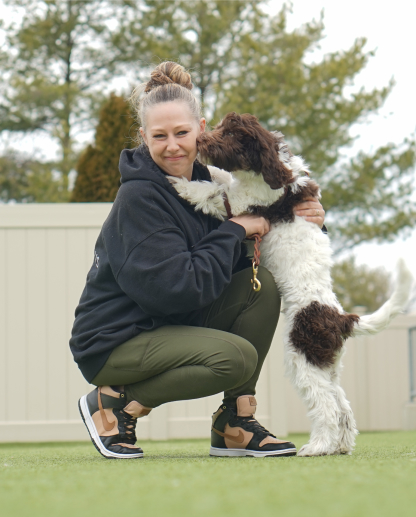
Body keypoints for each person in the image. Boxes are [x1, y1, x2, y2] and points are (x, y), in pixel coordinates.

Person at [70, 62, 326, 460]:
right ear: (144, 137)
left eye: (181, 133)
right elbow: (176, 289)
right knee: (235, 358)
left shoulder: (210, 185)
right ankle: (114, 404)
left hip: (166, 322)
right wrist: (236, 229)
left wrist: (306, 220)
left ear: (200, 129)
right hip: (115, 340)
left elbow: (250, 254)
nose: (172, 145)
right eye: (159, 136)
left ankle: (234, 423)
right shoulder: (139, 199)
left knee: (262, 290)